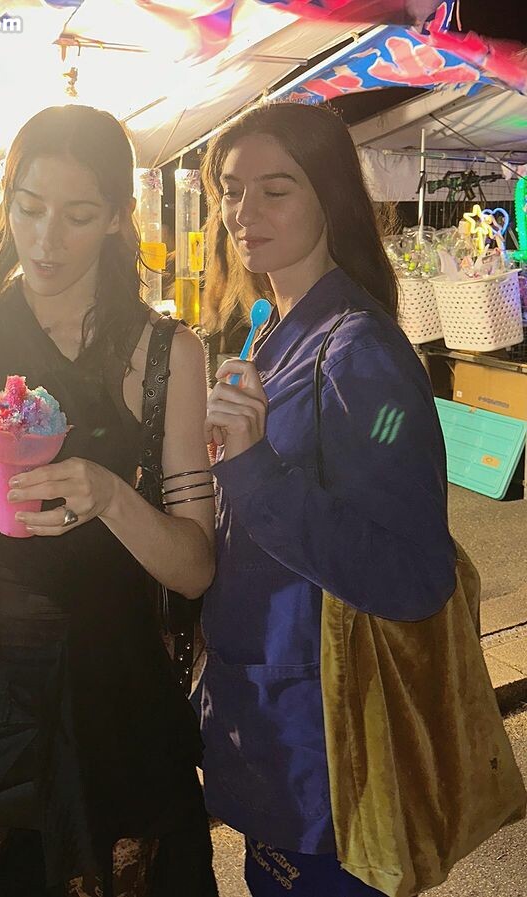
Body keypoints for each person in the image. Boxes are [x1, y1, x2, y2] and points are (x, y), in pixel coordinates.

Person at [0, 105, 217, 897]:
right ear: (7, 204)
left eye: (78, 215)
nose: (46, 240)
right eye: (29, 208)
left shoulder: (166, 354)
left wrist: (111, 494)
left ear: (117, 218)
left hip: (119, 679)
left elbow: (194, 567)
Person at [195, 100, 521, 897]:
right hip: (269, 724)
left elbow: (413, 574)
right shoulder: (269, 328)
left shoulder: (357, 354)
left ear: (329, 198)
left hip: (329, 753)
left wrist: (253, 470)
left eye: (276, 189)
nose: (244, 211)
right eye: (232, 190)